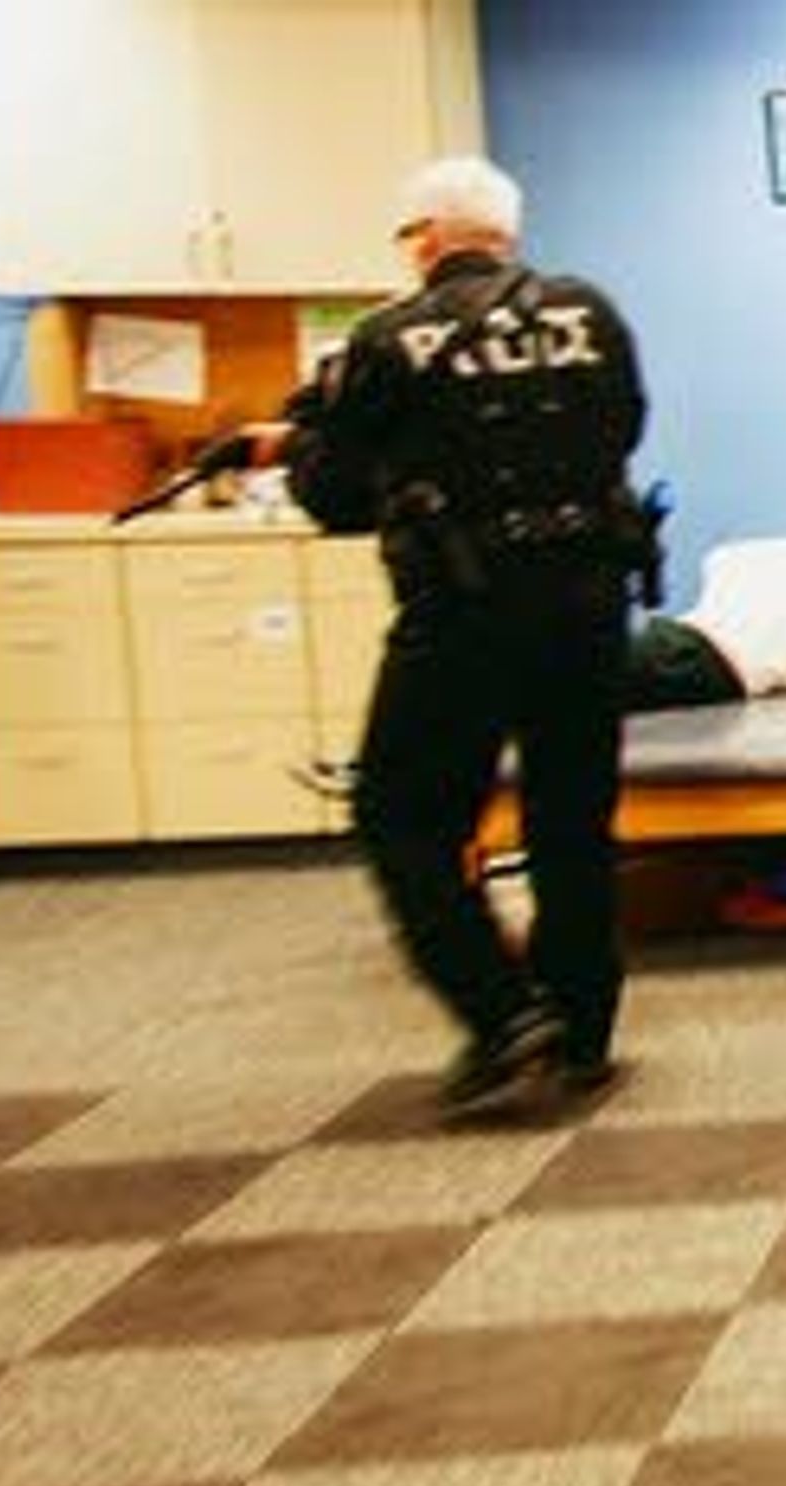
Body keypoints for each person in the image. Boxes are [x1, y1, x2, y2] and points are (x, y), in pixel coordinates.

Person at [264, 155, 650, 1115]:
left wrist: (302, 441)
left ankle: (501, 1011)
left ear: (425, 239)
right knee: (571, 824)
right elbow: (623, 430)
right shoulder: (589, 313)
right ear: (506, 234)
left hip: (464, 615)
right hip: (588, 607)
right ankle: (584, 1033)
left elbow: (335, 496)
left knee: (402, 818)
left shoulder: (387, 340)